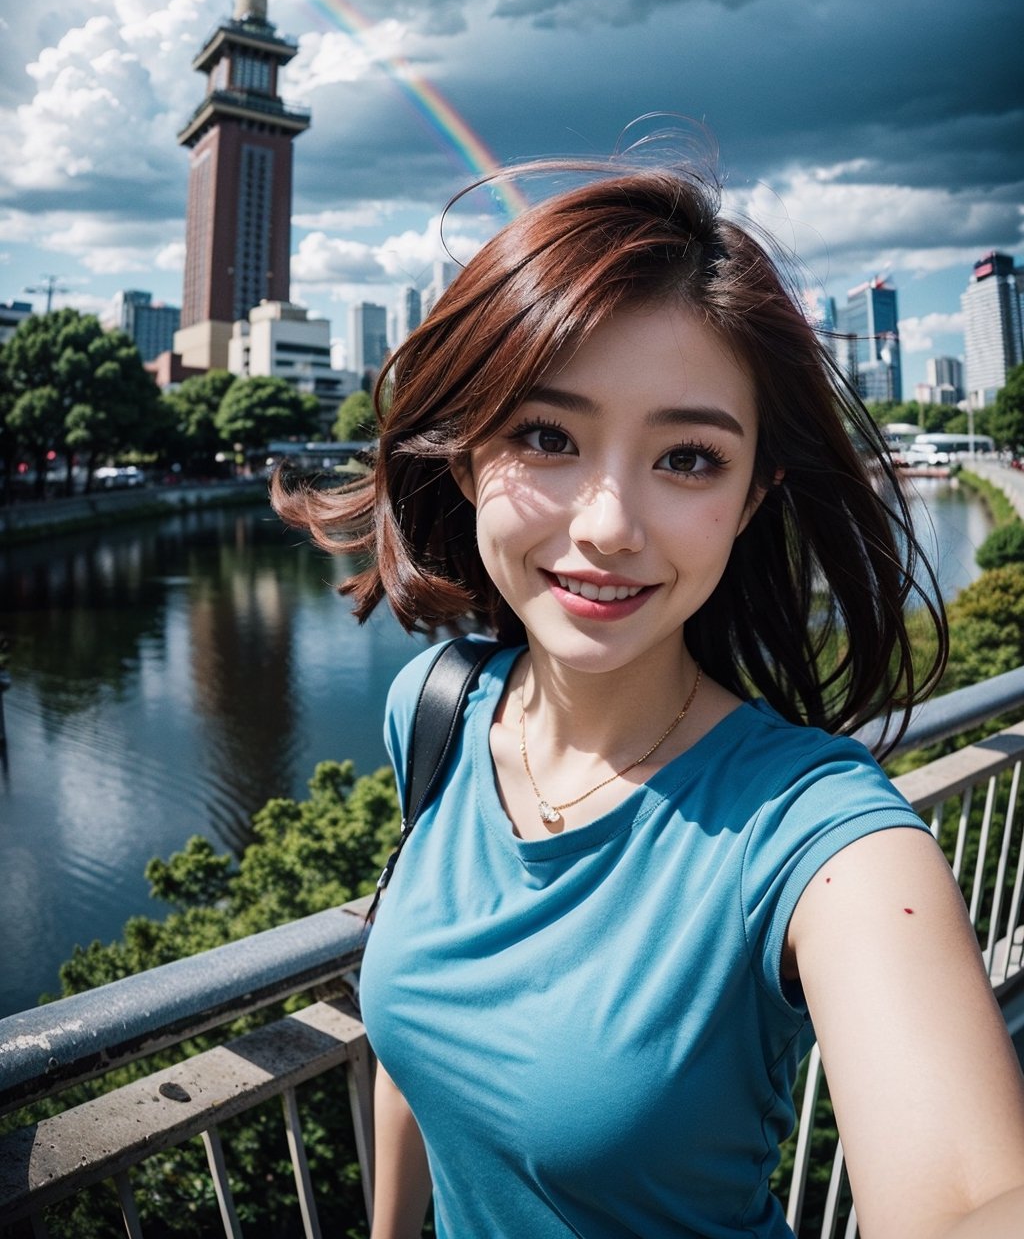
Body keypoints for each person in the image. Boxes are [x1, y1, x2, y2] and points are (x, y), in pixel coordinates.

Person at [275, 161, 1024, 1238]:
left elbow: (967, 1198)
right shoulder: (435, 708)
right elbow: (412, 1058)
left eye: (686, 457)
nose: (609, 524)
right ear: (469, 449)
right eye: (545, 436)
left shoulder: (816, 833)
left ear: (752, 493)